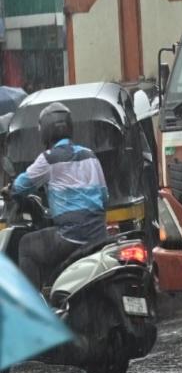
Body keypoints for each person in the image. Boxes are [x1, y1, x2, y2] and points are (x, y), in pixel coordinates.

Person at [6, 102, 107, 288]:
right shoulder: (90, 155)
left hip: (71, 237)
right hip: (99, 235)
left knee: (26, 245)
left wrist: (9, 190)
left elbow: (21, 185)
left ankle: (32, 310)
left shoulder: (48, 159)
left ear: (44, 131)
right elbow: (104, 197)